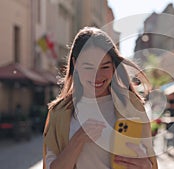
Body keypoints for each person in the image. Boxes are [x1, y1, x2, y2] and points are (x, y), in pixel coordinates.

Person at [43, 27, 158, 169]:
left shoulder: (131, 106)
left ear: (114, 67)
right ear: (75, 64)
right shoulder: (58, 112)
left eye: (104, 67)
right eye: (89, 67)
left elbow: (149, 162)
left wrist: (146, 166)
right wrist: (78, 140)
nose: (97, 76)